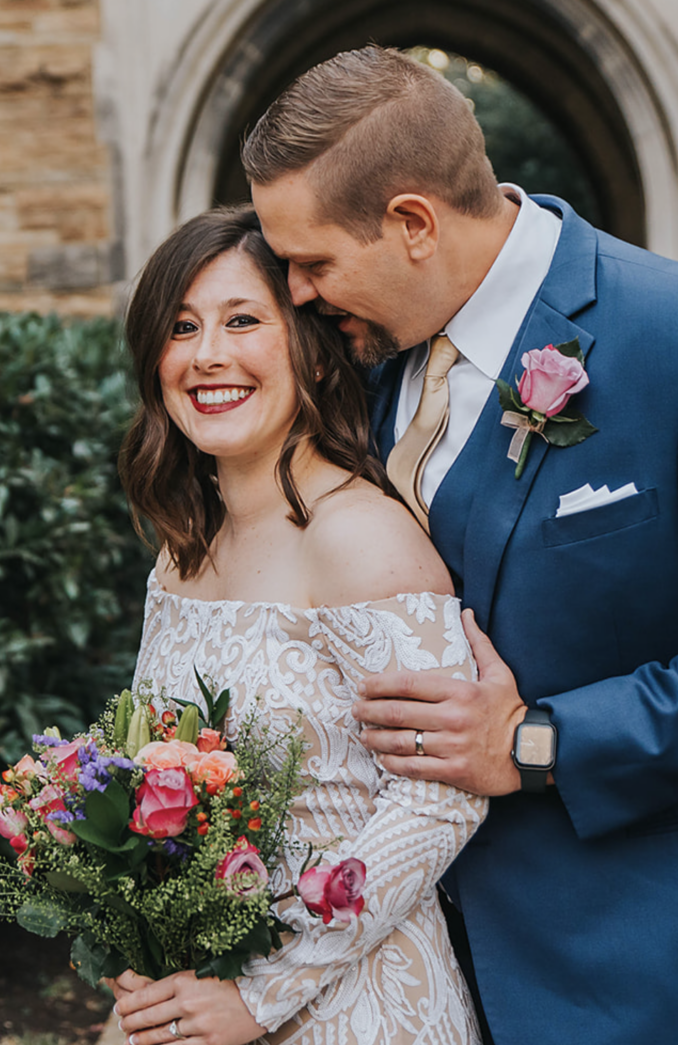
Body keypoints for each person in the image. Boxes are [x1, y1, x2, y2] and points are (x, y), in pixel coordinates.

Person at [234, 46, 678, 1044]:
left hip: (654, 959)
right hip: (425, 964)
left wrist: (536, 742)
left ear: (413, 223)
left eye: (313, 261)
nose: (297, 293)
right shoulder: (363, 368)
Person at [109, 206, 489, 1045]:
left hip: (356, 1004)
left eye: (243, 320)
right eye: (181, 327)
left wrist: (263, 994)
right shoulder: (181, 552)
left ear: (308, 351)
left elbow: (439, 799)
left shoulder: (363, 537)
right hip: (200, 998)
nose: (208, 353)